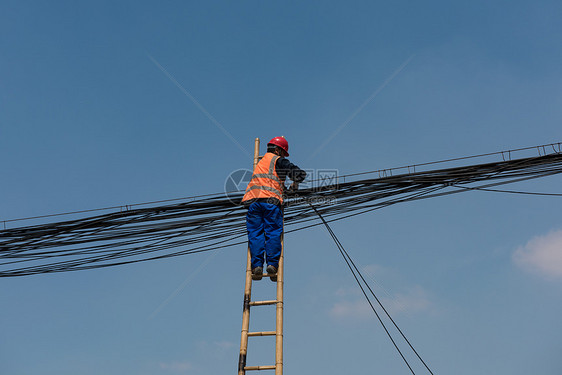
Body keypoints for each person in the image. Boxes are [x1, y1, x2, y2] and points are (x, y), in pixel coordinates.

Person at [241, 136, 306, 281]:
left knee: (255, 234)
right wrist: (295, 185)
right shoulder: (277, 160)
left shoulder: (261, 162)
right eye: (283, 153)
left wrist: (284, 188)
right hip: (270, 203)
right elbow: (300, 174)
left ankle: (257, 267)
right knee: (273, 233)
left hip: (252, 203)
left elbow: (270, 180)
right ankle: (272, 265)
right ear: (277, 150)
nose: (283, 156)